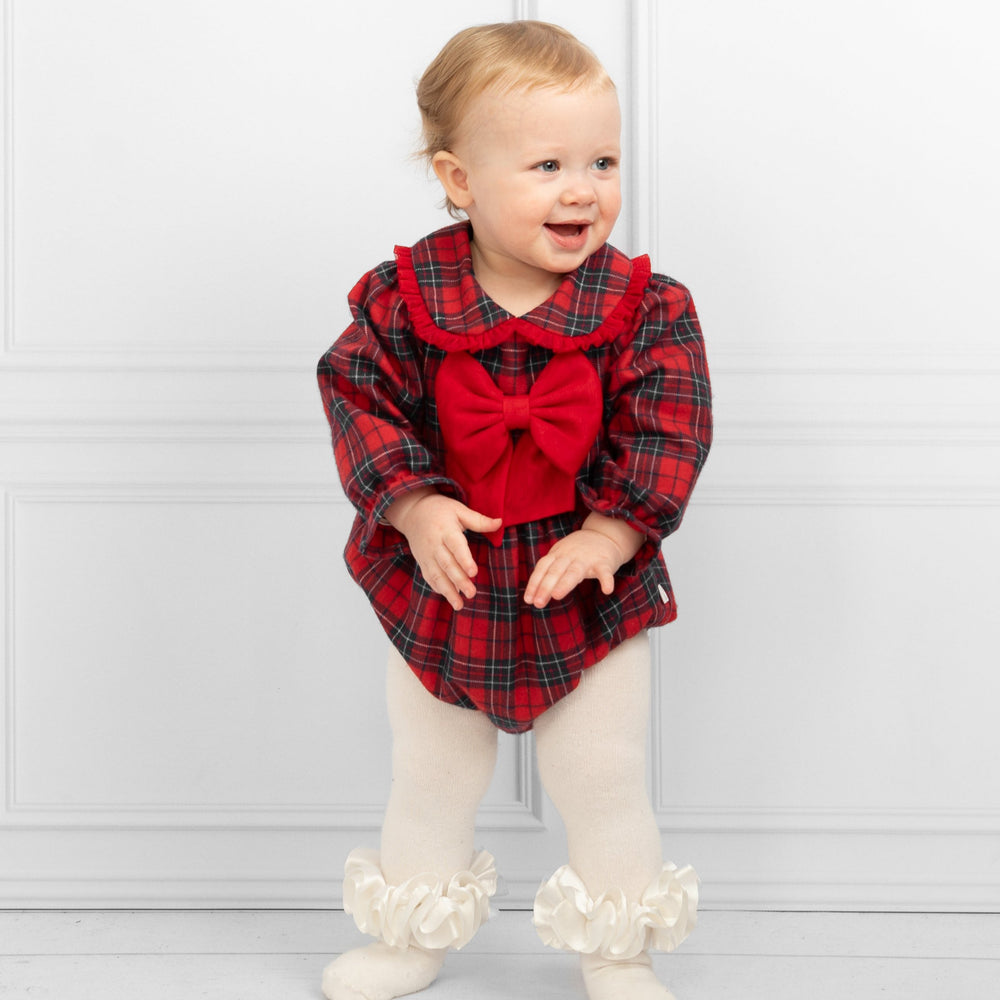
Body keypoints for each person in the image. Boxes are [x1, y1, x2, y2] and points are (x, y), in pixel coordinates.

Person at [317, 19, 712, 1000]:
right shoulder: (406, 301)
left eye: (602, 159)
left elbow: (671, 424)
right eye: (546, 164)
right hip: (447, 580)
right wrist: (410, 505)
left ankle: (617, 949)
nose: (583, 188)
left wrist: (612, 530)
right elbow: (355, 394)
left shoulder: (643, 307)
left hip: (584, 579)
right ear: (459, 179)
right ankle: (413, 930)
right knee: (432, 771)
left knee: (604, 771)